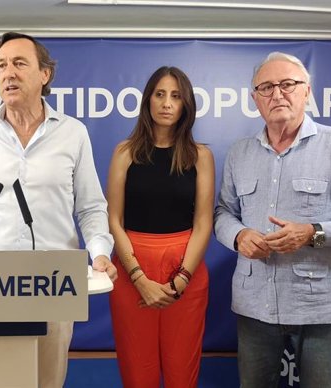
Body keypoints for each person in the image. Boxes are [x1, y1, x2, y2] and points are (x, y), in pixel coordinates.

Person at [0, 32, 117, 388]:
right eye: (1, 66)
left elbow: (90, 208)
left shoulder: (73, 134)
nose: (8, 73)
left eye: (19, 63)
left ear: (45, 75)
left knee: (46, 381)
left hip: (55, 284)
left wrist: (101, 253)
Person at [214, 52, 331, 388]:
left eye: (288, 84)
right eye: (266, 87)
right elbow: (223, 213)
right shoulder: (239, 153)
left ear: (307, 91)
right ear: (255, 99)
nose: (277, 94)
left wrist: (313, 233)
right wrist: (238, 236)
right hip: (255, 305)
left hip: (319, 307)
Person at [107, 66, 214, 388]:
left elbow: (203, 222)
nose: (167, 103)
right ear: (148, 100)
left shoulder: (200, 155)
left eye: (176, 96)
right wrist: (139, 278)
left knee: (182, 370)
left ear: (186, 105)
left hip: (185, 268)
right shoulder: (125, 152)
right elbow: (114, 220)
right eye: (160, 94)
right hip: (131, 266)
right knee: (138, 370)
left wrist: (181, 279)